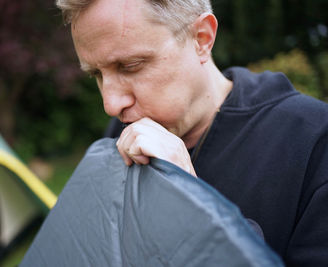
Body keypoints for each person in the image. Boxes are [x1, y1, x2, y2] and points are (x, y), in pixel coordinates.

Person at [56, 0, 328, 266]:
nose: (111, 104)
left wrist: (190, 208)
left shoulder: (315, 141)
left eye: (130, 66)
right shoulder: (123, 132)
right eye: (97, 75)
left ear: (202, 38)